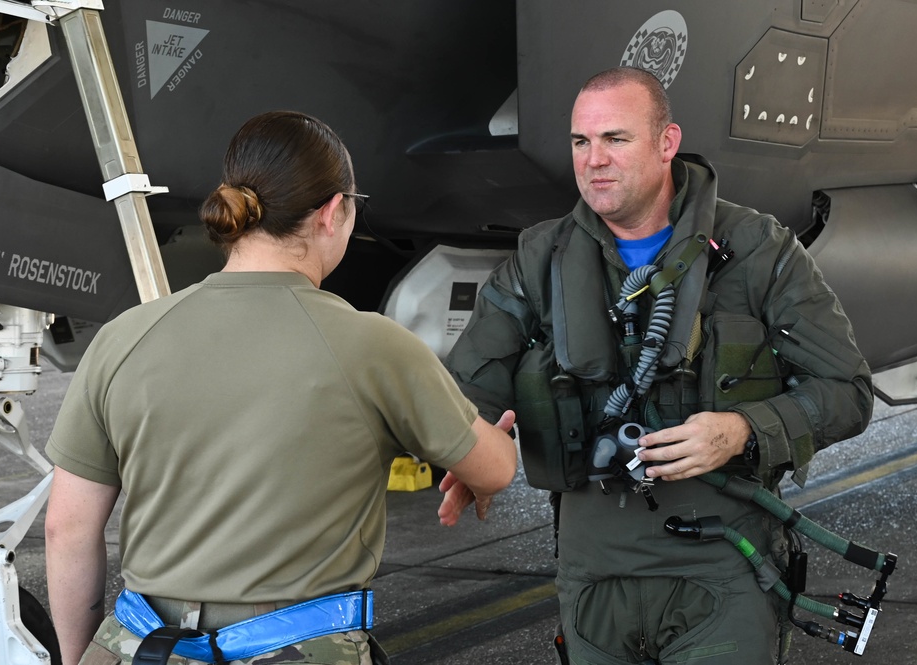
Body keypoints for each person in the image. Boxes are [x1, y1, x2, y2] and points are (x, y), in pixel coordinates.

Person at [44, 110, 518, 665]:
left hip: (139, 647)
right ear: (333, 212)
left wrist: (85, 655)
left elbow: (67, 528)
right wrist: (489, 444)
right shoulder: (373, 345)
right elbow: (495, 470)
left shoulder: (123, 337)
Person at [445, 67, 873, 665]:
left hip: (722, 571)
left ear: (666, 143)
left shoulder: (758, 250)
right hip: (595, 579)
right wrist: (467, 450)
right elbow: (471, 385)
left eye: (615, 139)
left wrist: (742, 431)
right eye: (580, 142)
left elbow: (848, 393)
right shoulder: (541, 258)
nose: (593, 160)